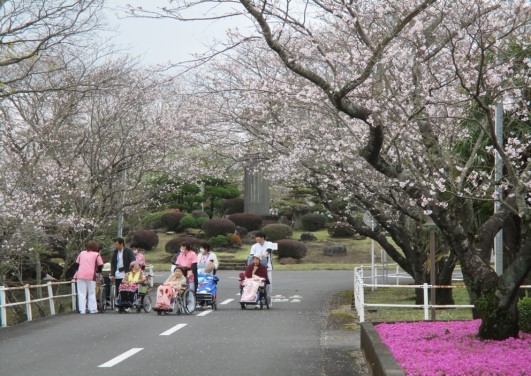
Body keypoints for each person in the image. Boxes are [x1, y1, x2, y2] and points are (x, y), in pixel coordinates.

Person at [74, 240, 104, 314]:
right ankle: (92, 309)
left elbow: (76, 264)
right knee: (91, 292)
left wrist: (77, 272)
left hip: (80, 275)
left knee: (81, 293)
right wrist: (99, 272)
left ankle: (82, 310)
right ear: (95, 247)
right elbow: (100, 265)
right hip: (90, 275)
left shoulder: (82, 253)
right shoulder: (96, 254)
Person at [249, 231, 274, 302]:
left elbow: (268, 251)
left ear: (262, 238)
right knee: (256, 283)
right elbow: (252, 256)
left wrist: (262, 255)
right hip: (256, 267)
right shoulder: (254, 246)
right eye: (255, 237)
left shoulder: (269, 244)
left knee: (268, 284)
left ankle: (268, 298)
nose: (256, 239)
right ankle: (257, 299)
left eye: (258, 237)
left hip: (267, 267)